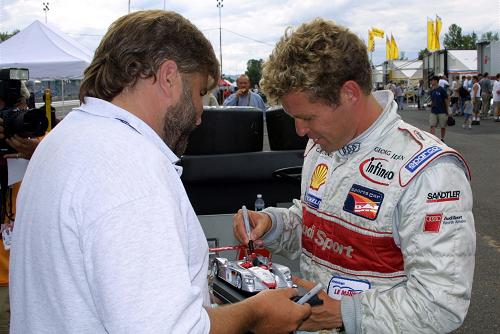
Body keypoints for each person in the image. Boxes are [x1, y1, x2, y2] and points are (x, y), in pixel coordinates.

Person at [9, 10, 310, 334]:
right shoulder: (129, 168)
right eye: (198, 94)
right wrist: (257, 313)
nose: (199, 116)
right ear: (168, 78)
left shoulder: (63, 141)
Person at [232, 18, 475, 333]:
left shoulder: (429, 172)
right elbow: (319, 229)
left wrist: (344, 314)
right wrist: (273, 225)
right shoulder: (321, 147)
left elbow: (441, 303)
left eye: (307, 117)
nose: (300, 130)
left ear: (349, 93)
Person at [0, 81, 41, 334]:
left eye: (22, 106)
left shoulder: (41, 143)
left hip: (32, 277)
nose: (19, 116)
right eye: (10, 110)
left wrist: (38, 152)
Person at [429, 75, 451, 141]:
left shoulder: (442, 90)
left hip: (442, 110)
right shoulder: (432, 90)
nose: (431, 82)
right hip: (433, 111)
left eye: (432, 80)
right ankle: (432, 139)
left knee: (443, 126)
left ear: (436, 81)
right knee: (432, 125)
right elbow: (432, 100)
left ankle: (442, 138)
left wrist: (447, 110)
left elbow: (446, 100)